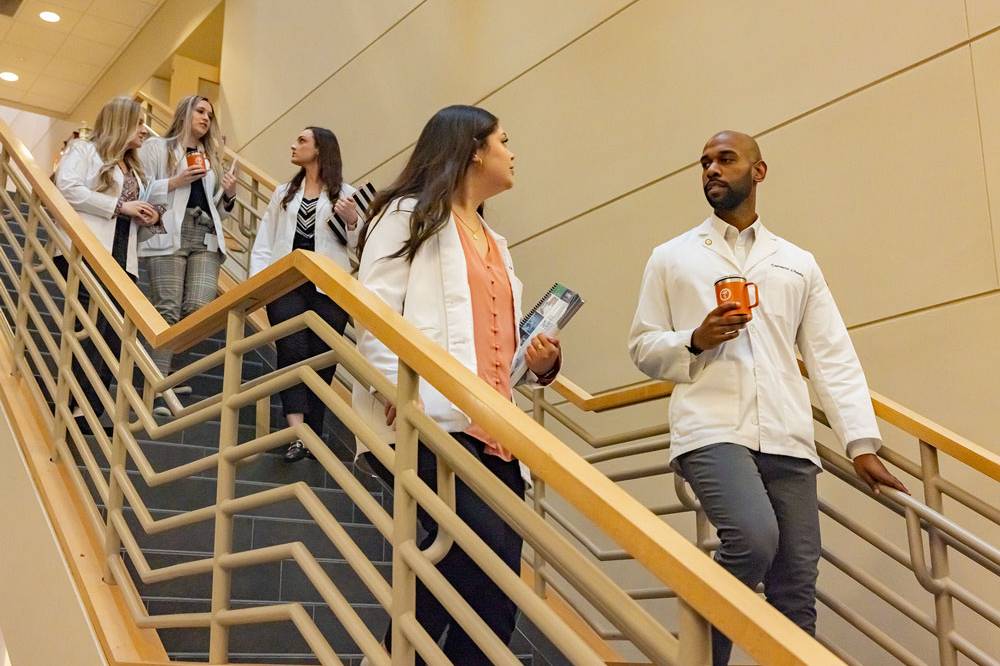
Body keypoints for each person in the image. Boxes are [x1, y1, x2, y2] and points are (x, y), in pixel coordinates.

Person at [628, 130, 908, 665]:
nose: (711, 169)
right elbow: (642, 346)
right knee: (753, 539)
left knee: (796, 581)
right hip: (711, 429)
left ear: (758, 172)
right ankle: (695, 651)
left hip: (787, 435)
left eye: (725, 159)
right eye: (704, 162)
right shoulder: (671, 257)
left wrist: (860, 442)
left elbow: (831, 354)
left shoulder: (797, 262)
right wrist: (695, 339)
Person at [354, 105, 561, 665]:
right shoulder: (406, 216)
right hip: (430, 419)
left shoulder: (498, 241)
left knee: (496, 594)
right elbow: (372, 311)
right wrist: (396, 386)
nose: (512, 153)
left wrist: (540, 362)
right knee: (475, 555)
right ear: (474, 149)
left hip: (496, 432)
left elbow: (496, 345)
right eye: (505, 141)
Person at [249, 127, 360, 462]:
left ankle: (311, 436)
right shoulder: (284, 193)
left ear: (320, 149)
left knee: (322, 358)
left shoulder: (347, 195)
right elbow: (265, 240)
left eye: (301, 141)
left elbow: (360, 246)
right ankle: (297, 431)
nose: (293, 145)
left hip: (329, 289)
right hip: (286, 284)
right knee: (292, 349)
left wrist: (352, 221)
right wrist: (259, 284)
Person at [54, 96, 163, 434]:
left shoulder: (135, 167)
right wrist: (119, 206)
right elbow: (66, 188)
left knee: (114, 339)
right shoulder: (84, 151)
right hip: (88, 254)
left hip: (123, 262)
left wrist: (147, 216)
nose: (145, 131)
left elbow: (128, 216)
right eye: (139, 123)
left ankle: (90, 410)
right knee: (90, 335)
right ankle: (75, 408)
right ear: (120, 122)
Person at [138, 95, 237, 414]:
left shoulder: (211, 158)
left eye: (210, 114)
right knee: (167, 308)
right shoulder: (158, 148)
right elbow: (140, 189)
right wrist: (176, 181)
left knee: (197, 308)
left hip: (205, 232)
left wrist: (230, 195)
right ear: (185, 112)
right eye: (200, 110)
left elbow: (219, 210)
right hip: (168, 231)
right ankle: (155, 390)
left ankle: (163, 373)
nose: (206, 117)